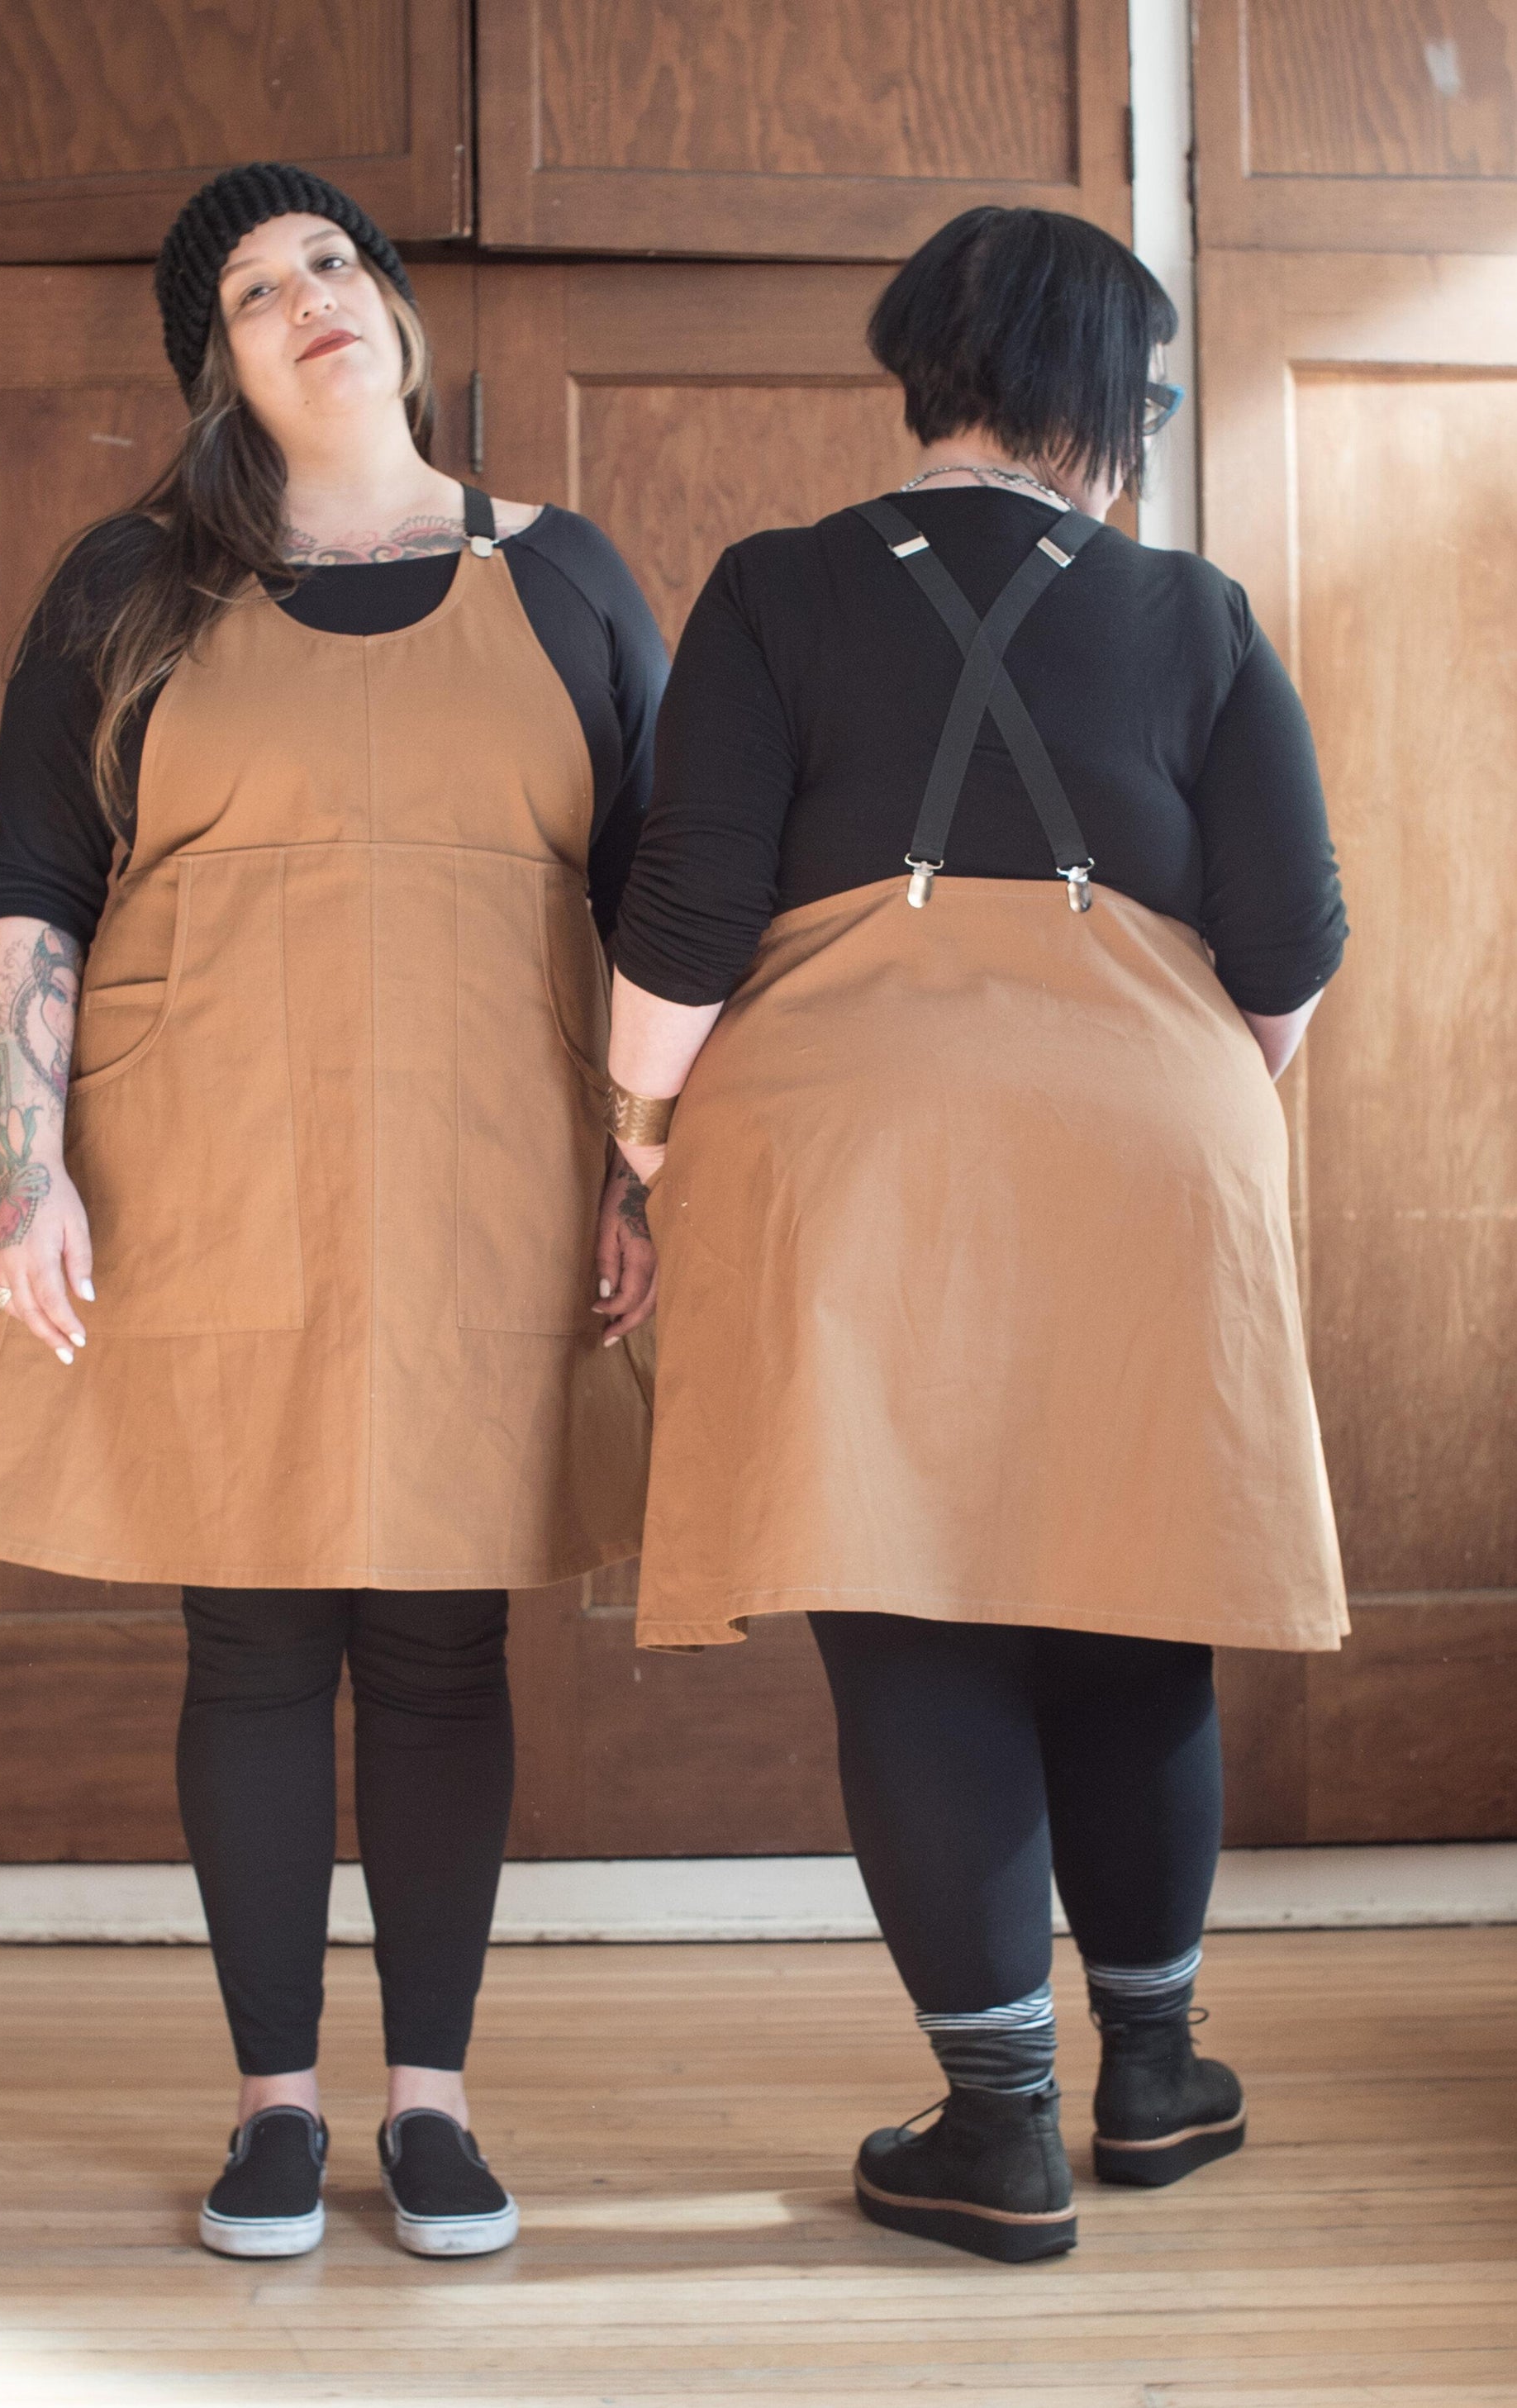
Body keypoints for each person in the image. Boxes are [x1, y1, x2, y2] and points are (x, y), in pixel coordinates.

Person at [602, 207, 1348, 2263]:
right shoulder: (1195, 612)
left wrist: (640, 1137)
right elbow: (1288, 949)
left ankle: (998, 2125)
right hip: (1152, 1147)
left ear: (924, 363)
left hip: (845, 1153)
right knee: (1135, 1588)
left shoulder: (771, 591)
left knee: (911, 1601)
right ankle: (1157, 2077)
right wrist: (1160, 1078)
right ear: (1104, 400)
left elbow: (682, 928)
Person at [0, 162, 663, 2261]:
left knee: (444, 1640)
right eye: (255, 291)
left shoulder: (575, 580)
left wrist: (642, 1169)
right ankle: (273, 2109)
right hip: (206, 1181)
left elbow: (656, 912)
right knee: (248, 1636)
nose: (307, 299)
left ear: (394, 304)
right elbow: (29, 894)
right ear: (216, 368)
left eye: (329, 262)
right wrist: (21, 1164)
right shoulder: (126, 584)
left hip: (487, 1187)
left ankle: (427, 2106)